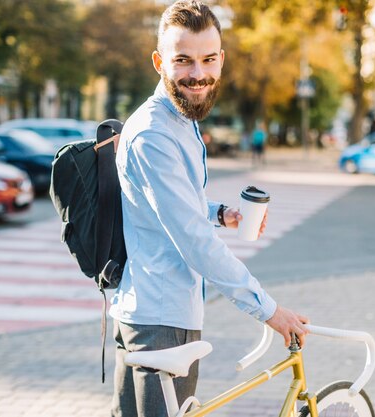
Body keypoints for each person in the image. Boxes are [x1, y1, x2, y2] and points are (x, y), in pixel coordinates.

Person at [109, 2, 309, 416]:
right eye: (183, 61)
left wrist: (219, 213)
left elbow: (176, 203)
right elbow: (194, 243)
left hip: (162, 313)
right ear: (159, 62)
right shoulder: (153, 134)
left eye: (207, 59)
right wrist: (268, 310)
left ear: (221, 59)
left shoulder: (180, 120)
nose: (197, 74)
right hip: (158, 322)